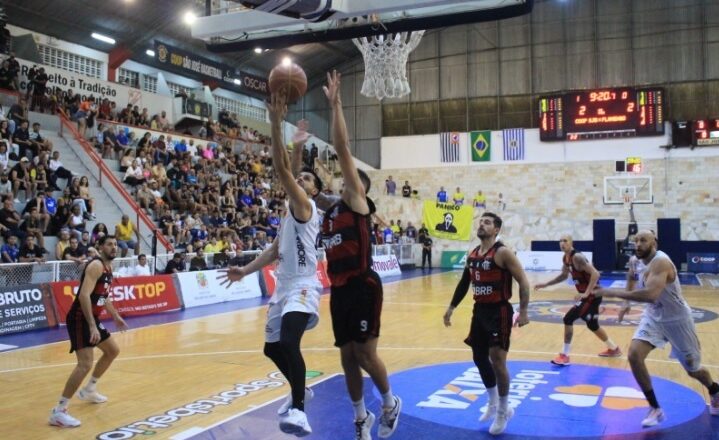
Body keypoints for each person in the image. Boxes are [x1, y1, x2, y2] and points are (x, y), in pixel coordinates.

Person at [218, 90, 323, 437]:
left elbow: (283, 172)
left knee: (290, 344)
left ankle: (300, 410)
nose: (301, 180)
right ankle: (298, 387)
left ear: (313, 191)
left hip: (305, 285)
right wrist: (245, 271)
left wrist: (275, 123)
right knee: (271, 348)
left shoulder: (306, 207)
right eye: (301, 177)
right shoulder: (290, 214)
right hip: (284, 286)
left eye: (307, 179)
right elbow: (276, 250)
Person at [318, 70, 401, 439]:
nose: (344, 177)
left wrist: (336, 105)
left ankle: (389, 403)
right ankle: (359, 417)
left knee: (365, 355)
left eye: (350, 176)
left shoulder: (357, 201)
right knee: (347, 358)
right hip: (339, 289)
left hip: (364, 283)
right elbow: (301, 183)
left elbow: (342, 148)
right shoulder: (332, 211)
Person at [595, 230, 719, 426]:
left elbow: (651, 295)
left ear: (655, 243)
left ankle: (714, 390)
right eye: (635, 241)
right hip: (653, 318)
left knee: (693, 370)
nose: (638, 244)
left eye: (643, 240)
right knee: (634, 355)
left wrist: (609, 292)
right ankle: (655, 408)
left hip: (678, 320)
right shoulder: (635, 260)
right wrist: (626, 303)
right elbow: (631, 276)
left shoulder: (661, 262)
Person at [443, 212, 530, 436]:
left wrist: (524, 311)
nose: (482, 225)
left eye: (487, 222)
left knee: (498, 361)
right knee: (478, 357)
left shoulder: (502, 253)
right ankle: (493, 402)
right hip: (479, 310)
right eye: (481, 221)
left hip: (499, 310)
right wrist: (451, 307)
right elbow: (464, 282)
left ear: (496, 229)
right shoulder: (472, 254)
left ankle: (503, 410)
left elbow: (523, 281)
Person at [49, 235, 128, 428]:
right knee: (84, 364)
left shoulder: (109, 268)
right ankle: (59, 411)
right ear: (100, 247)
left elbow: (103, 296)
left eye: (116, 244)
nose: (113, 247)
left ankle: (89, 389)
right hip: (80, 318)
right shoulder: (96, 266)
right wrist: (92, 325)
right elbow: (83, 294)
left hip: (90, 318)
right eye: (109, 244)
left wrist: (115, 316)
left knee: (112, 351)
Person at [534, 235, 621, 365]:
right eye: (560, 241)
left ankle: (565, 355)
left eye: (565, 241)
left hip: (592, 295)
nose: (562, 243)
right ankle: (614, 348)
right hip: (589, 295)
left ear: (571, 242)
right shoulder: (566, 258)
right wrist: (545, 284)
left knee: (568, 318)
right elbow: (563, 275)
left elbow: (595, 274)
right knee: (592, 324)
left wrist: (586, 293)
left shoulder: (577, 257)